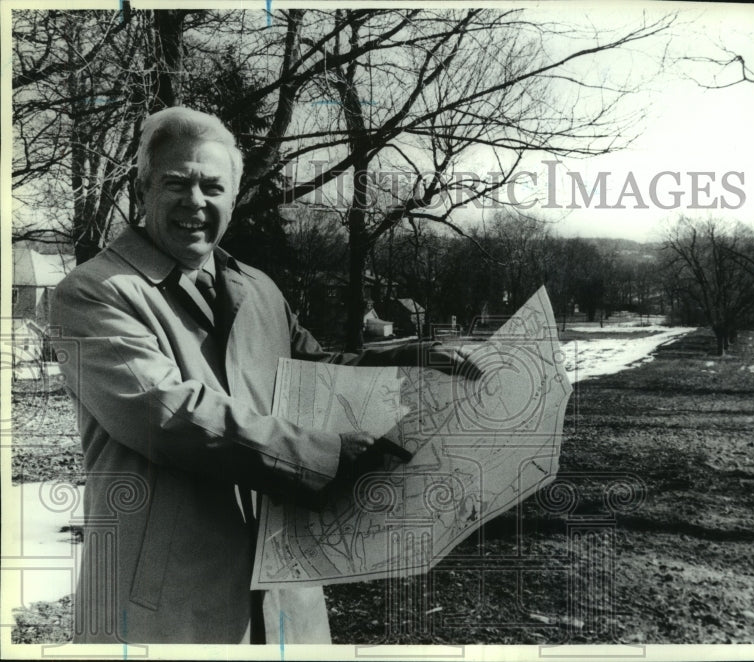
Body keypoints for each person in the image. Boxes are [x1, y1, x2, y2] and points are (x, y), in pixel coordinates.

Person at [52, 107, 479, 645]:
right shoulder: (95, 291)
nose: (196, 202)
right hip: (165, 606)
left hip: (282, 596)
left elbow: (315, 373)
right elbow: (166, 415)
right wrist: (321, 456)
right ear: (142, 188)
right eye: (176, 183)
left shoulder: (257, 288)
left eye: (213, 186)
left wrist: (406, 359)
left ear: (233, 196)